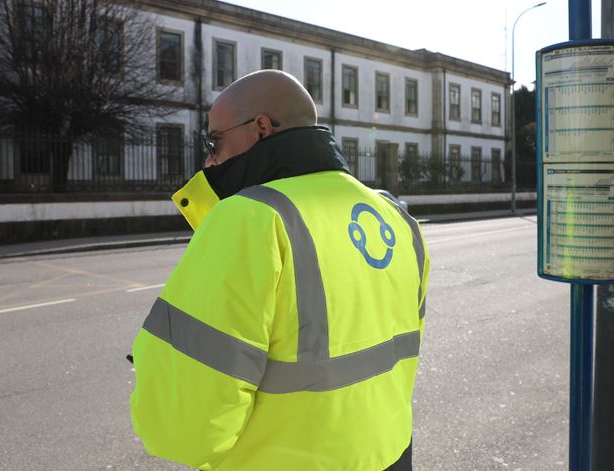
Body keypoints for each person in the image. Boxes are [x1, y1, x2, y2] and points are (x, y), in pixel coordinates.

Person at [130, 70, 429, 470]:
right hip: (387, 453)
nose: (209, 158)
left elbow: (189, 423)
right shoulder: (395, 216)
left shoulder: (250, 217)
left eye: (214, 140)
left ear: (261, 128)